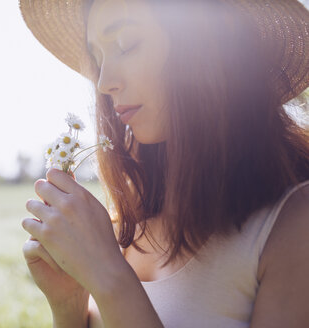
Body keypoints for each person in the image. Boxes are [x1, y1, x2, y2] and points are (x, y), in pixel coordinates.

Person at [19, 0, 309, 327]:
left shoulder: (294, 224)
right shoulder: (127, 222)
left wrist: (109, 277)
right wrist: (69, 305)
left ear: (209, 42)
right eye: (98, 58)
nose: (104, 82)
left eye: (126, 45)